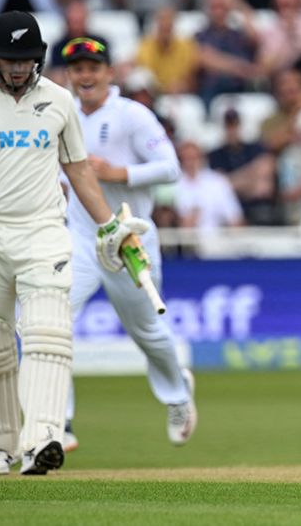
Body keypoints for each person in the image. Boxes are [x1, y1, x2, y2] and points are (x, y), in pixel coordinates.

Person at [0, 11, 148, 475]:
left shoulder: (59, 101)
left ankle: (43, 440)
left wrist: (108, 227)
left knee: (48, 333)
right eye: (8, 59)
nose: (18, 69)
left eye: (26, 60)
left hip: (42, 230)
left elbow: (79, 169)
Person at [59, 36, 197, 453]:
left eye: (93, 68)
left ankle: (178, 396)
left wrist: (118, 172)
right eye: (78, 69)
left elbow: (170, 168)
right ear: (70, 74)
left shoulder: (132, 116)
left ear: (109, 72)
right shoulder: (60, 116)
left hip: (129, 237)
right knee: (48, 321)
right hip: (80, 237)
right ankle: (56, 422)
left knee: (148, 331)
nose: (86, 76)